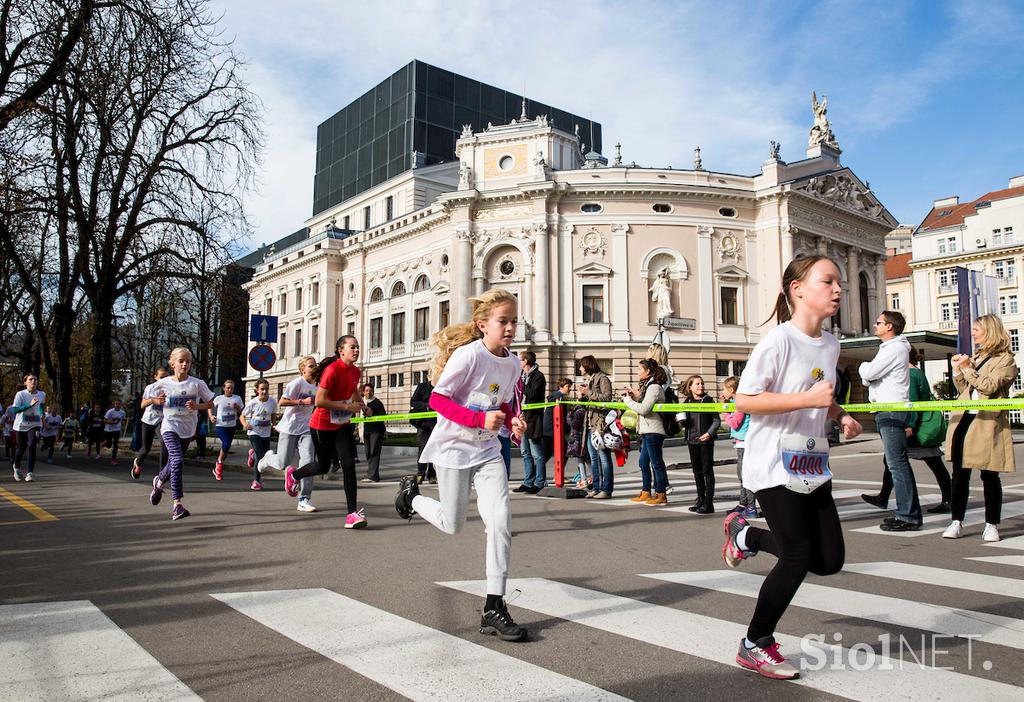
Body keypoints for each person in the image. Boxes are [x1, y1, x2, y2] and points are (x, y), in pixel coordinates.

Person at [721, 254, 862, 680]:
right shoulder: (777, 341)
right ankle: (755, 642)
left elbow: (820, 393)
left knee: (829, 560)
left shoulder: (831, 343)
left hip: (811, 463)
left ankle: (746, 535)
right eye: (828, 281)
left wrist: (840, 416)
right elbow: (744, 400)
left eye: (840, 282)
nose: (838, 289)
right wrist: (807, 401)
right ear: (797, 289)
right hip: (772, 465)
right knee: (799, 556)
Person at [393, 288, 528, 642]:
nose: (511, 327)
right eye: (504, 321)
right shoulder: (468, 357)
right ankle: (412, 499)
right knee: (452, 524)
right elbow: (439, 399)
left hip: (487, 452)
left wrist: (512, 419)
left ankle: (494, 606)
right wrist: (480, 419)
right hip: (454, 449)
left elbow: (503, 402)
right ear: (483, 324)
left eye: (514, 320)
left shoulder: (513, 363)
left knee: (500, 522)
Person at [942, 314, 1018, 542]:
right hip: (965, 418)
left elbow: (988, 386)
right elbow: (965, 389)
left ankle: (991, 524)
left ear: (990, 331)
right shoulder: (977, 356)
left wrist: (967, 369)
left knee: (989, 474)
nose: (973, 333)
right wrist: (959, 370)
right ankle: (956, 521)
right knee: (959, 474)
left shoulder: (1006, 360)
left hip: (987, 421)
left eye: (977, 329)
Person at [286, 336, 366, 529]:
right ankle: (294, 475)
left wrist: (363, 405)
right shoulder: (332, 370)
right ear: (341, 350)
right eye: (352, 347)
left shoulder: (356, 371)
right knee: (322, 467)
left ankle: (352, 514)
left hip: (341, 424)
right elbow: (320, 400)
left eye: (357, 347)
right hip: (321, 425)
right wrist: (346, 407)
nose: (356, 350)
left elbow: (353, 390)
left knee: (348, 465)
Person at [861, 347, 952, 513]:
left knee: (899, 460)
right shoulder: (916, 371)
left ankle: (948, 499)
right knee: (898, 460)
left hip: (916, 426)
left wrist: (908, 425)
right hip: (920, 423)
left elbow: (910, 401)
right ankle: (883, 496)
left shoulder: (910, 374)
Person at [858, 310, 920, 532]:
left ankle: (908, 515)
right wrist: (867, 373)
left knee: (897, 464)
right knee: (896, 464)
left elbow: (870, 373)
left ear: (889, 327)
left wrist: (863, 368)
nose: (875, 326)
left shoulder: (893, 348)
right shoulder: (892, 348)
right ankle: (908, 512)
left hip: (890, 409)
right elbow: (868, 379)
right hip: (888, 409)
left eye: (878, 322)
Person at [149, 347, 215, 520]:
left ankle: (158, 481)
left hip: (187, 430)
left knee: (174, 463)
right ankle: (177, 504)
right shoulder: (163, 384)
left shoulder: (196, 383)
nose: (185, 364)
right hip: (169, 427)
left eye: (188, 361)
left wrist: (197, 406)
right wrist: (155, 400)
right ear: (173, 364)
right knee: (177, 460)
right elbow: (144, 401)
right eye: (181, 361)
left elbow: (210, 403)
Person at [258, 356, 319, 512]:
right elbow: (282, 402)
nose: (314, 368)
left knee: (308, 463)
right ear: (303, 369)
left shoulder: (318, 386)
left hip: (307, 428)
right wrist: (301, 402)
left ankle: (304, 498)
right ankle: (267, 459)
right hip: (290, 427)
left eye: (315, 365)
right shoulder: (296, 384)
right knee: (283, 463)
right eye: (311, 366)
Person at [623, 359, 668, 505]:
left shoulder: (654, 387)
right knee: (643, 462)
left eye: (639, 369)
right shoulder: (648, 386)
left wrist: (628, 401)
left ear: (648, 371)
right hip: (646, 429)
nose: (637, 372)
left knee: (656, 463)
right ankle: (646, 491)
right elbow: (644, 404)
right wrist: (634, 397)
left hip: (654, 430)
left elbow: (644, 409)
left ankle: (661, 494)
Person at [679, 374, 720, 513]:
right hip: (692, 440)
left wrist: (709, 434)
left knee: (707, 471)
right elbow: (684, 421)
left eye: (702, 383)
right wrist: (681, 421)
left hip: (705, 442)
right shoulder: (687, 402)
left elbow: (716, 420)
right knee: (697, 472)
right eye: (697, 384)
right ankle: (700, 499)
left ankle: (709, 503)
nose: (701, 386)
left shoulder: (708, 400)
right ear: (690, 387)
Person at [579, 355, 614, 499]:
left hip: (599, 424)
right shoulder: (591, 379)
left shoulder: (602, 378)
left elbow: (606, 398)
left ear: (587, 366)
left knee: (604, 458)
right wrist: (583, 398)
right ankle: (596, 487)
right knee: (593, 458)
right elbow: (593, 399)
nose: (580, 368)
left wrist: (588, 393)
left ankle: (607, 489)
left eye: (581, 365)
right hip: (589, 423)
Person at [722, 376, 757, 518]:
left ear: (731, 390)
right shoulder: (734, 402)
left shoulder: (739, 403)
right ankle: (743, 504)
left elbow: (736, 423)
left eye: (724, 389)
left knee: (744, 475)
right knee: (741, 475)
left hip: (744, 442)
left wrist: (725, 414)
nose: (723, 392)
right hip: (741, 442)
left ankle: (751, 507)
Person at [514, 351, 547, 494]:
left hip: (533, 419)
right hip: (522, 418)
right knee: (525, 452)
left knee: (537, 453)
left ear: (526, 361)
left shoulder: (538, 376)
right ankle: (528, 481)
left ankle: (540, 482)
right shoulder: (521, 376)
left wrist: (522, 385)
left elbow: (533, 394)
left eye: (520, 360)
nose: (518, 363)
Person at [240, 378, 277, 490]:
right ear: (257, 390)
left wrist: (274, 424)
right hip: (254, 432)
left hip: (266, 432)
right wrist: (245, 424)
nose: (264, 392)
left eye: (266, 389)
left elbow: (274, 414)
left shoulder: (272, 402)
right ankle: (256, 481)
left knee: (264, 455)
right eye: (262, 389)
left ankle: (252, 454)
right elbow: (242, 416)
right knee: (261, 457)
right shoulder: (253, 402)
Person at [133, 368, 168, 480]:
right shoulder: (150, 388)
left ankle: (162, 473)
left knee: (164, 442)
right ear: (155, 377)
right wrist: (154, 400)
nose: (164, 380)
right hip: (148, 420)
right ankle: (137, 463)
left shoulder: (171, 388)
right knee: (145, 448)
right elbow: (142, 405)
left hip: (162, 420)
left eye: (166, 377)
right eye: (161, 377)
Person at [11, 374, 45, 481]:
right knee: (21, 448)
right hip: (21, 425)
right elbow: (15, 410)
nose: (33, 381)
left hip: (35, 424)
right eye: (30, 379)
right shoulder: (20, 394)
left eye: (35, 379)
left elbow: (40, 405)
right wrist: (29, 405)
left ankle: (30, 473)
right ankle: (16, 467)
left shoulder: (42, 394)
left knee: (32, 445)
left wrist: (42, 413)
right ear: (25, 382)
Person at [210, 379, 244, 481]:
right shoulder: (219, 398)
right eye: (228, 388)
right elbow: (209, 406)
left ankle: (218, 465)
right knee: (226, 444)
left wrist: (237, 407)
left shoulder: (237, 398)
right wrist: (211, 416)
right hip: (221, 426)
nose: (230, 390)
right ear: (224, 388)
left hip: (232, 426)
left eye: (232, 388)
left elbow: (242, 411)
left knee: (226, 448)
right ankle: (219, 467)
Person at [410, 377, 437, 484]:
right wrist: (426, 406)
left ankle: (431, 474)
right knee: (422, 447)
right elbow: (413, 402)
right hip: (423, 423)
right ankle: (420, 473)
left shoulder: (442, 387)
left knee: (434, 449)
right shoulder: (422, 386)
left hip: (437, 423)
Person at [359, 383, 386, 482]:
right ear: (363, 392)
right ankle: (371, 472)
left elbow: (383, 415)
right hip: (365, 431)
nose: (368, 392)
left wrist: (372, 413)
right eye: (366, 391)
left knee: (374, 452)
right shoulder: (361, 402)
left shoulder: (377, 402)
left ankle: (373, 476)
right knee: (368, 453)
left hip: (376, 430)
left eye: (370, 391)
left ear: (373, 391)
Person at [543, 378, 572, 465]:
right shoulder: (559, 398)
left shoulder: (557, 396)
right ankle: (557, 475)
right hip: (553, 430)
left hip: (549, 429)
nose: (569, 389)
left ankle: (535, 475)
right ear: (561, 387)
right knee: (564, 451)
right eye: (568, 386)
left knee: (545, 454)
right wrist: (567, 430)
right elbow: (562, 416)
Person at [103, 399, 126, 465]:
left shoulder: (122, 412)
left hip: (117, 430)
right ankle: (106, 442)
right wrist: (113, 422)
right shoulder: (110, 412)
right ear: (114, 404)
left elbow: (123, 420)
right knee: (109, 445)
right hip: (108, 430)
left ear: (120, 405)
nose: (117, 405)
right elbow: (104, 420)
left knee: (115, 445)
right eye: (116, 404)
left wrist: (123, 426)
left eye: (119, 404)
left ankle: (113, 459)